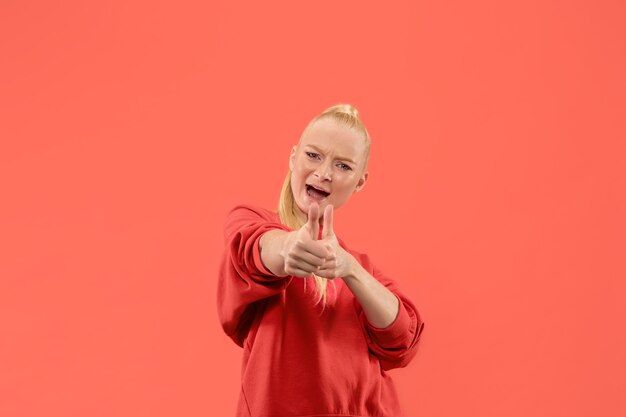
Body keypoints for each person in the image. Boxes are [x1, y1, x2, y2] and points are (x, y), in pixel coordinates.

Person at [217, 104, 425, 417]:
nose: (324, 173)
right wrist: (290, 247)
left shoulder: (360, 267)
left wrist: (351, 270)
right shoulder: (250, 222)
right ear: (293, 157)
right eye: (313, 155)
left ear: (360, 183)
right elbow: (255, 249)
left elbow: (403, 338)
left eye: (343, 166)